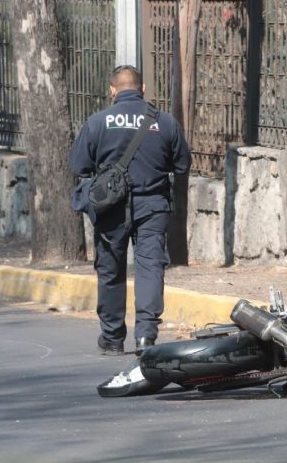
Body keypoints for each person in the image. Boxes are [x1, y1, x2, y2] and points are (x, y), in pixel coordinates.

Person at [69, 65, 191, 356]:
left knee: (111, 271)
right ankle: (146, 337)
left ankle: (112, 338)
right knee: (150, 269)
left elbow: (79, 166)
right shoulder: (165, 122)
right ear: (143, 89)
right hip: (153, 207)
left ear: (112, 90)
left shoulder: (97, 122)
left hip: (111, 209)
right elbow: (182, 165)